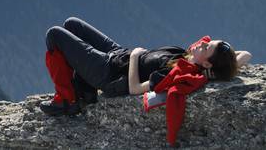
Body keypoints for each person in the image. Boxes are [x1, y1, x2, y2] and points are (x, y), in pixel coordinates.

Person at [40, 17, 253, 116]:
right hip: (118, 53)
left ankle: (67, 100)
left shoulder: (176, 73)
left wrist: (134, 58)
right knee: (71, 24)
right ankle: (84, 91)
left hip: (109, 72)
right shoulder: (189, 58)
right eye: (209, 41)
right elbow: (245, 56)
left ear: (206, 62)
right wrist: (218, 66)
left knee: (54, 35)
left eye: (207, 47)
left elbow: (135, 88)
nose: (203, 42)